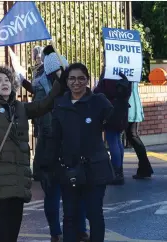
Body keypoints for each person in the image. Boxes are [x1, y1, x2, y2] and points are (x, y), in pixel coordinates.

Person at [0, 46, 66, 242]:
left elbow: (45, 104)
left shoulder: (21, 108)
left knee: (12, 232)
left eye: (7, 80)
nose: (4, 83)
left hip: (19, 180)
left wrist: (59, 82)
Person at [50, 63, 115, 242]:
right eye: (72, 78)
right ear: (67, 81)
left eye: (81, 78)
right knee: (69, 216)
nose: (76, 82)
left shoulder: (98, 101)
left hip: (95, 169)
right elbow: (54, 139)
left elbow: (116, 123)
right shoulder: (60, 104)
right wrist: (48, 167)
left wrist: (122, 100)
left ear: (87, 80)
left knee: (94, 214)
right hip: (69, 169)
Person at [34, 46, 89, 242]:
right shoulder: (44, 92)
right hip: (50, 152)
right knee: (53, 194)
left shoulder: (73, 93)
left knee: (76, 193)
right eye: (60, 71)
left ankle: (80, 229)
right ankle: (55, 233)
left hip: (70, 152)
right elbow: (45, 124)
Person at [94, 69, 132, 185]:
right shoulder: (126, 72)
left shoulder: (110, 74)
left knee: (112, 141)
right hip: (122, 110)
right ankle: (119, 170)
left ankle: (116, 172)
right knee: (118, 139)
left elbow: (99, 91)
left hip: (111, 110)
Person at [127, 81, 154, 179]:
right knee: (133, 136)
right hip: (134, 106)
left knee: (133, 136)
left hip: (129, 107)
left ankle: (145, 167)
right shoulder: (133, 73)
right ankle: (145, 167)